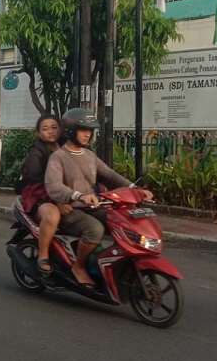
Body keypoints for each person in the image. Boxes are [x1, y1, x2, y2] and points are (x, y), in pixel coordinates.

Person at [44, 108, 153, 288]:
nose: (88, 135)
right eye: (83, 130)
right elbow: (53, 186)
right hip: (70, 209)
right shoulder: (58, 157)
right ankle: (79, 267)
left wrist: (135, 189)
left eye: (90, 131)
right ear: (70, 131)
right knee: (95, 229)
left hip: (92, 207)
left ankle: (110, 263)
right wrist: (78, 195)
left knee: (122, 221)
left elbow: (110, 175)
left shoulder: (89, 155)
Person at [17, 114, 67, 275]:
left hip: (66, 194)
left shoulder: (68, 148)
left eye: (54, 128)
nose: (50, 132)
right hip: (37, 195)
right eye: (45, 129)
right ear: (39, 133)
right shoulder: (36, 153)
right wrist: (55, 201)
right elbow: (36, 182)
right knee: (52, 214)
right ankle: (43, 255)